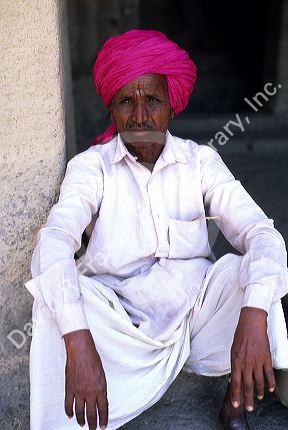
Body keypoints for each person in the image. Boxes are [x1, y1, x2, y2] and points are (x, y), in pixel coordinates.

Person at [25, 29, 288, 430]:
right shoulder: (91, 167)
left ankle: (238, 400)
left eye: (152, 100)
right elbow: (55, 240)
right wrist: (78, 340)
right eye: (126, 102)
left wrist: (253, 313)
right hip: (120, 321)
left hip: (193, 315)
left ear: (172, 107)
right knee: (52, 301)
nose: (141, 115)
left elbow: (260, 231)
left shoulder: (200, 162)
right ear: (111, 110)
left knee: (253, 270)